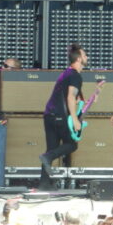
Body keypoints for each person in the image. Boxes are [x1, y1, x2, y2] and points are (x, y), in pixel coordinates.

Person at [38, 43, 90, 190]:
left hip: (49, 115)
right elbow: (70, 97)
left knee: (51, 149)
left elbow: (75, 98)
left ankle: (43, 184)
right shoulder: (75, 75)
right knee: (72, 145)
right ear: (79, 59)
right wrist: (74, 119)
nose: (87, 57)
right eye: (85, 55)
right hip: (60, 116)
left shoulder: (66, 73)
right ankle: (47, 160)